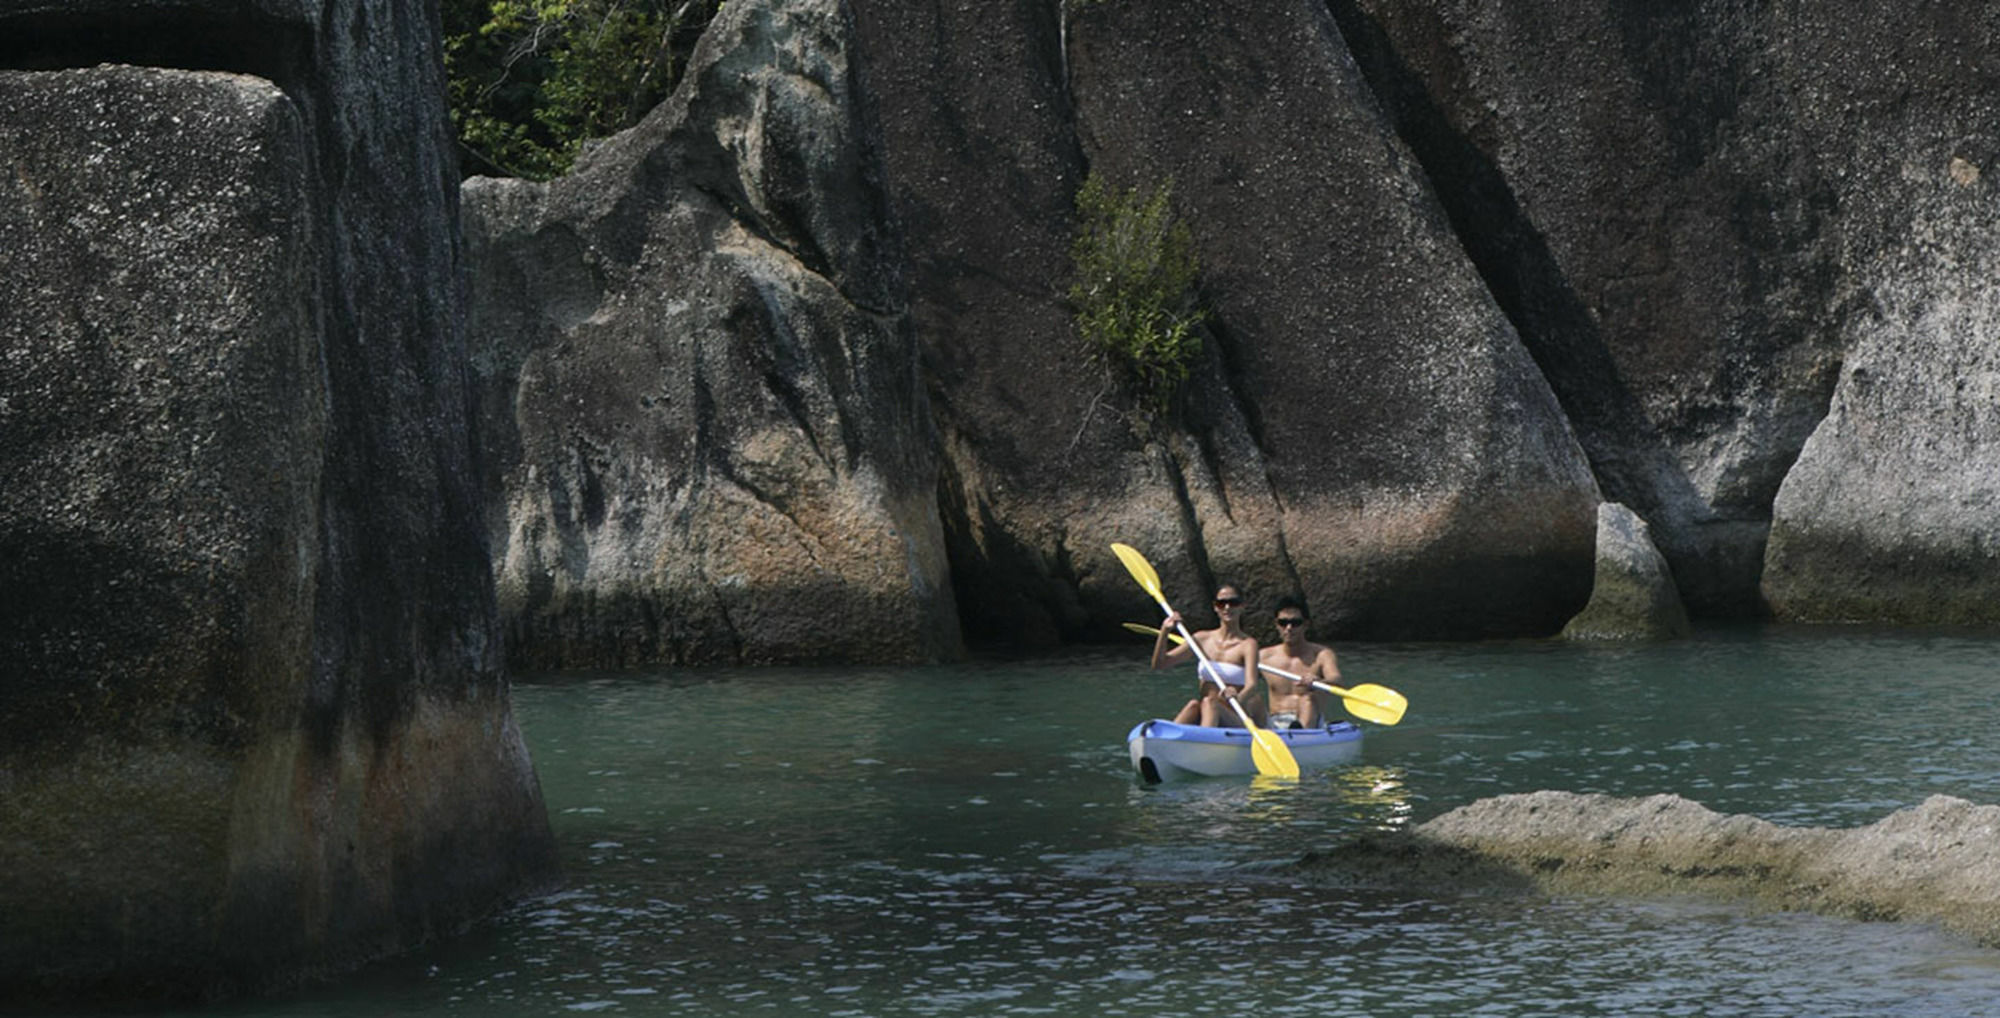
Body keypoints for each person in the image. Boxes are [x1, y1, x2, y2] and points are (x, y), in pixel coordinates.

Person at [1151, 583, 1262, 727]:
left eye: (1233, 603)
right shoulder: (1201, 639)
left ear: (1242, 606)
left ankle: (1204, 740)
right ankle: (1163, 740)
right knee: (1193, 705)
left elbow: (1252, 685)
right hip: (1206, 711)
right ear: (1215, 607)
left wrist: (1237, 697)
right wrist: (1164, 632)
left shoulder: (1248, 644)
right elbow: (1160, 664)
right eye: (1222, 603)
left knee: (1210, 702)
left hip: (1235, 716)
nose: (1227, 607)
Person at [1257, 596, 1341, 729]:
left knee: (1307, 699)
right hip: (1275, 721)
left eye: (1295, 623)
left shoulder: (1322, 654)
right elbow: (1242, 680)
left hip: (1310, 721)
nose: (1289, 628)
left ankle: (1301, 733)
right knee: (1253, 700)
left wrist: (1319, 682)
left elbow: (1336, 679)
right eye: (1283, 622)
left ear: (1305, 625)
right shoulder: (1263, 657)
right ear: (1276, 624)